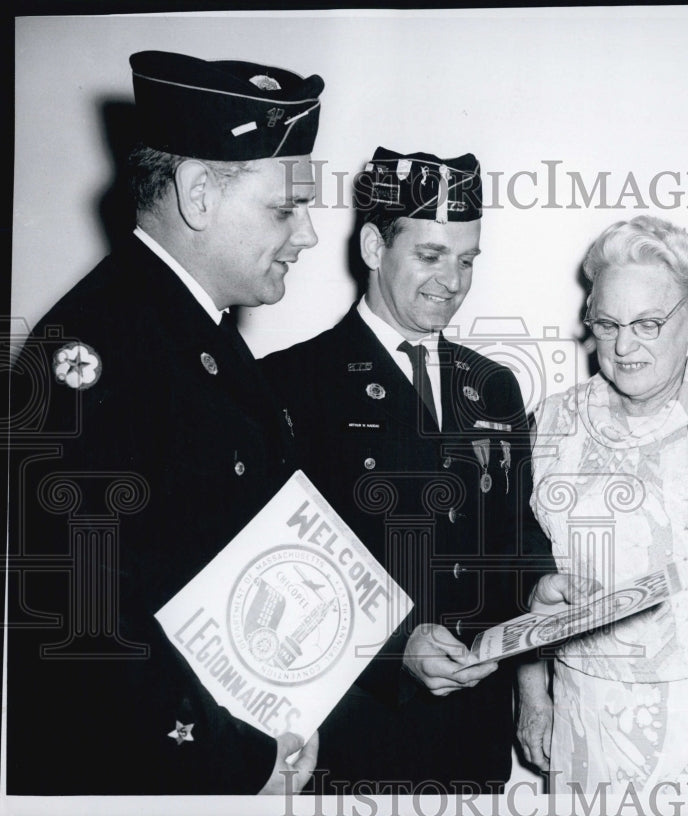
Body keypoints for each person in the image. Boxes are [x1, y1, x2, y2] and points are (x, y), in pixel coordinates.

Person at [6, 50, 324, 794]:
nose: (306, 235)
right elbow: (83, 627)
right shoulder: (88, 355)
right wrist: (238, 761)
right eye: (284, 208)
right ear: (198, 196)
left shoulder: (197, 333)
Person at [261, 147, 555, 793]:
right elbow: (279, 569)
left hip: (473, 740)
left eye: (467, 259)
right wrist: (395, 647)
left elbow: (515, 530)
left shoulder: (494, 385)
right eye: (430, 255)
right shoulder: (290, 383)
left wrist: (540, 589)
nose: (452, 280)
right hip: (354, 738)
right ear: (373, 246)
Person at [516, 215, 688, 792]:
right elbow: (525, 568)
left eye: (647, 323)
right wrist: (531, 692)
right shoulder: (553, 421)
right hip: (582, 711)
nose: (623, 345)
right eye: (608, 323)